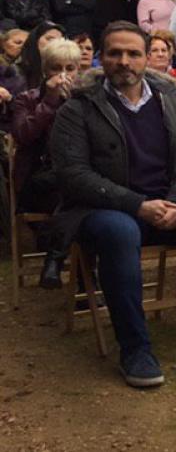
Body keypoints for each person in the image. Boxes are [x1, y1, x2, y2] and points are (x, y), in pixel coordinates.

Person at [50, 21, 176, 388]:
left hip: (171, 202)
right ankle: (135, 349)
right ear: (101, 57)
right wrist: (138, 205)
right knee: (120, 231)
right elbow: (74, 176)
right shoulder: (77, 109)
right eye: (115, 53)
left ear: (147, 58)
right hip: (105, 209)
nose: (124, 61)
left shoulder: (172, 100)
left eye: (133, 53)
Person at [12, 37, 81, 288]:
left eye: (69, 68)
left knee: (82, 191)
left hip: (72, 181)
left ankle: (56, 260)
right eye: (56, 68)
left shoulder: (84, 98)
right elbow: (23, 135)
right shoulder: (26, 99)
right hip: (38, 178)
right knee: (82, 191)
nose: (63, 75)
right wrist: (50, 101)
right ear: (45, 70)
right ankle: (84, 279)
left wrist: (75, 101)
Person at [18, 21, 65, 90]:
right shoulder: (17, 71)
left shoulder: (64, 70)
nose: (55, 44)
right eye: (50, 39)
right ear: (35, 40)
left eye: (59, 41)